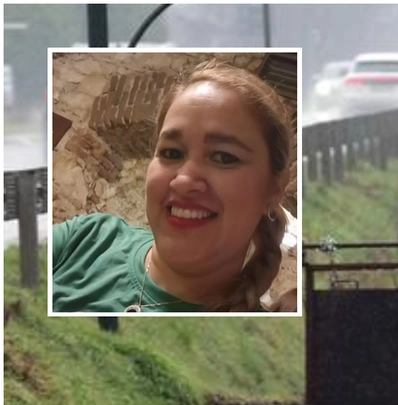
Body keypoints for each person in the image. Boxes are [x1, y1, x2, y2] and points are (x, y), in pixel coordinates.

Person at [52, 59, 295, 313]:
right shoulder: (87, 240)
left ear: (274, 189)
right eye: (171, 152)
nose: (183, 181)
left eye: (224, 157)